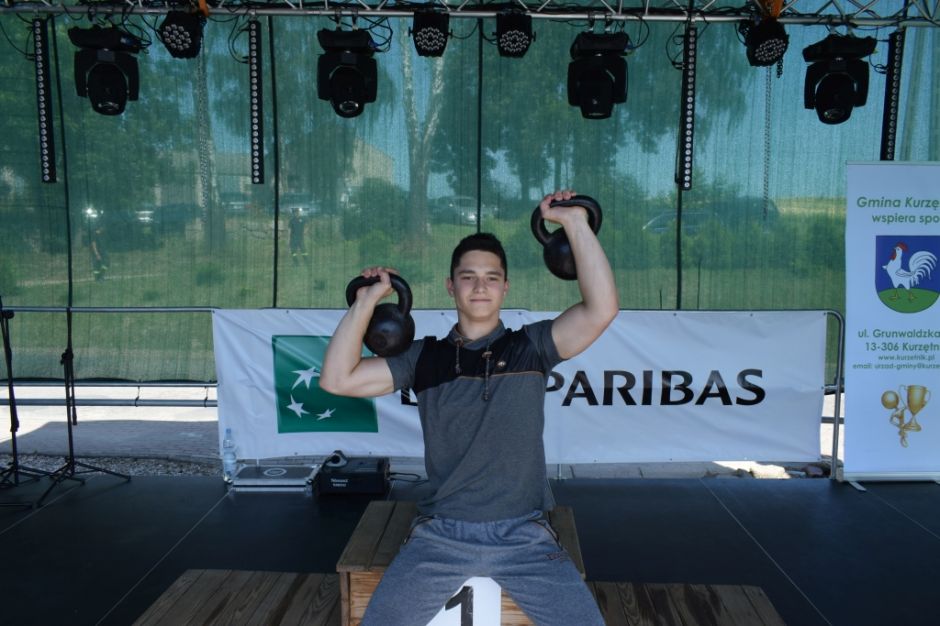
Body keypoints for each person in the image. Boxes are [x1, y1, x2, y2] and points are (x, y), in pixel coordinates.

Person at [319, 189, 618, 625]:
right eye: (468, 276)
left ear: (505, 287)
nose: (480, 286)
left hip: (524, 536)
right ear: (450, 285)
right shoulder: (422, 359)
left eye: (492, 277)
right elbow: (337, 379)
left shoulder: (532, 347)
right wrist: (365, 302)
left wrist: (574, 223)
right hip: (441, 536)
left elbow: (602, 309)